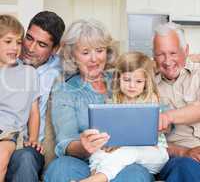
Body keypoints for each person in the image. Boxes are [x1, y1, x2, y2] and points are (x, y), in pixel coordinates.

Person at [44, 19, 154, 182]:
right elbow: (65, 142)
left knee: (136, 175)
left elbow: (147, 80)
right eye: (86, 52)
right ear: (72, 56)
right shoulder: (64, 89)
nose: (94, 59)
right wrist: (84, 147)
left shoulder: (123, 79)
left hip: (124, 160)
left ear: (107, 52)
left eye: (99, 50)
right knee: (60, 168)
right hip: (81, 161)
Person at [78, 51, 169, 182]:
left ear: (146, 82)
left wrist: (119, 146)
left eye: (138, 81)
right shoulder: (113, 100)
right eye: (127, 80)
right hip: (121, 152)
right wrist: (107, 143)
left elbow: (146, 135)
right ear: (118, 78)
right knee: (97, 151)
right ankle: (94, 175)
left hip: (154, 153)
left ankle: (96, 179)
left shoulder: (151, 100)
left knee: (127, 152)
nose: (132, 85)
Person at [5, 11, 65, 182]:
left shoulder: (60, 74)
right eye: (29, 38)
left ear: (55, 49)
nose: (30, 48)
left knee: (25, 158)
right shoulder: (7, 60)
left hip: (27, 149)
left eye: (41, 44)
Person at [153, 22, 200, 182]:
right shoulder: (145, 84)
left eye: (173, 53)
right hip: (178, 158)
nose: (167, 61)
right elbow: (147, 142)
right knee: (185, 167)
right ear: (153, 55)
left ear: (185, 50)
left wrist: (167, 116)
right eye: (160, 54)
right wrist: (184, 153)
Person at [0, 15, 41, 182]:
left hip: (10, 133)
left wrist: (33, 138)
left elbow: (34, 111)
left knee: (1, 158)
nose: (14, 47)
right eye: (8, 41)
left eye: (18, 42)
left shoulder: (29, 73)